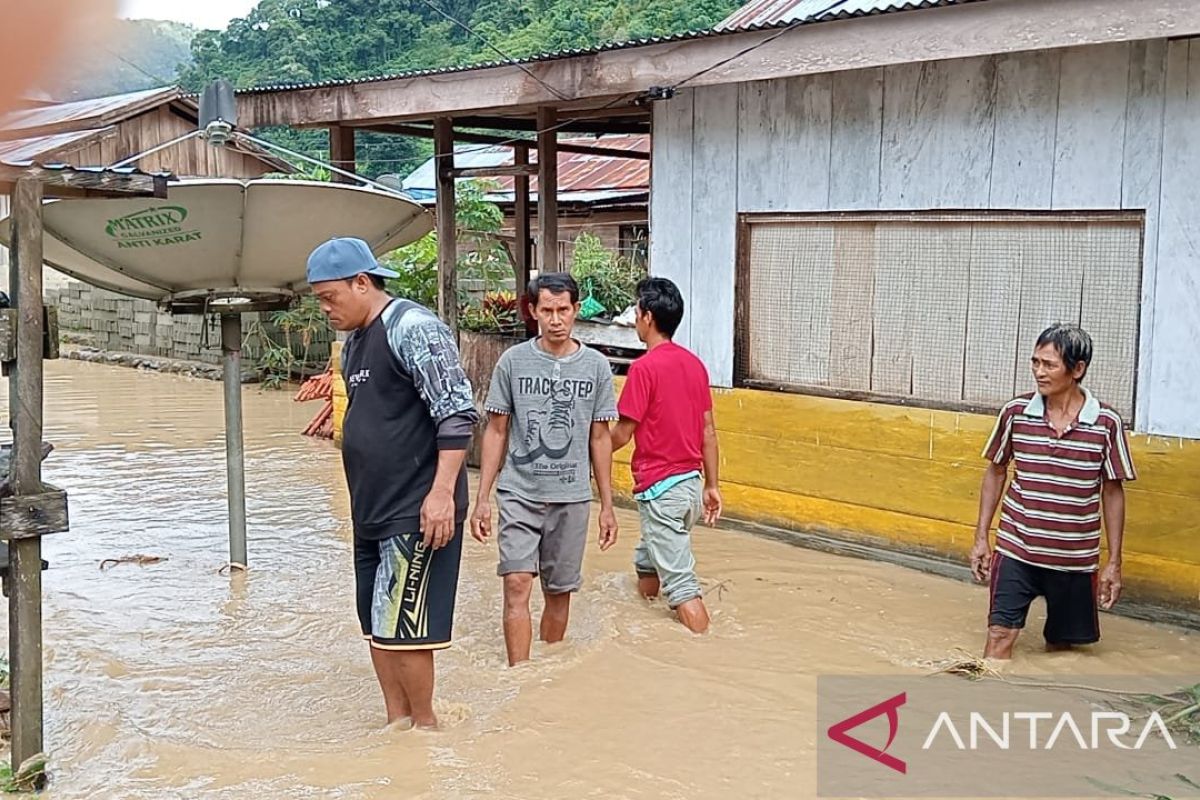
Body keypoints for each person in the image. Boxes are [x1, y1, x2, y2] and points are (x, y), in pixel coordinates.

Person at [308, 237, 478, 729]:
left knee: (406, 629)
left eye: (329, 297)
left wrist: (442, 494)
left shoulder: (413, 328)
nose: (325, 309)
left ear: (362, 283)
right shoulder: (356, 341)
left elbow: (456, 415)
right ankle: (396, 725)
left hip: (417, 508)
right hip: (371, 511)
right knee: (376, 626)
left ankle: (425, 729)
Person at [470, 273, 619, 666]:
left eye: (564, 310)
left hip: (572, 497)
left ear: (575, 311)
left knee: (558, 592)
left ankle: (548, 675)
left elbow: (600, 439)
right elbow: (496, 430)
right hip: (519, 493)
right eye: (547, 311)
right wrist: (482, 498)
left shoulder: (597, 367)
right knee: (517, 583)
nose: (556, 320)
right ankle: (519, 674)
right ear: (533, 312)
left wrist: (607, 504)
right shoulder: (513, 362)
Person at [970, 323, 1136, 660]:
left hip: (1075, 561)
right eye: (1035, 363)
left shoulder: (1106, 423)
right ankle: (984, 704)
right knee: (999, 636)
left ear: (1078, 369)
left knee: (1061, 652)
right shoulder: (1015, 413)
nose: (1038, 372)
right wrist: (981, 538)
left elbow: (1113, 491)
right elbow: (996, 471)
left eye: (1049, 365)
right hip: (1016, 550)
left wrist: (1114, 562)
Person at [610, 277, 721, 634]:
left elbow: (622, 434)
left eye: (637, 310)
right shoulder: (695, 365)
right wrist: (712, 486)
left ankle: (706, 650)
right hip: (689, 487)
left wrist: (586, 451)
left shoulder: (644, 368)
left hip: (661, 490)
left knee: (682, 585)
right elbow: (708, 431)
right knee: (647, 556)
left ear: (647, 316)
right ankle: (645, 616)